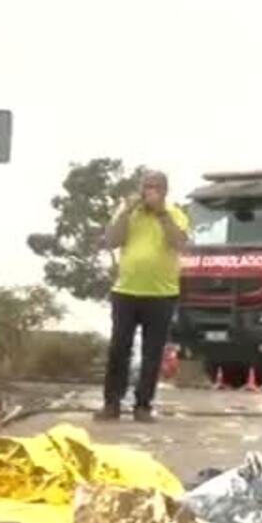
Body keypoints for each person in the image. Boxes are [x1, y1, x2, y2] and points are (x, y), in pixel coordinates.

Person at [99, 170, 187, 422]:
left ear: (165, 191)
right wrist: (126, 211)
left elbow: (179, 243)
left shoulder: (175, 213)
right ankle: (111, 404)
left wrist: (161, 214)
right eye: (147, 186)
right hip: (126, 291)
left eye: (156, 187)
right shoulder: (128, 212)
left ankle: (143, 405)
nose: (150, 191)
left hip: (161, 294)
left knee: (153, 353)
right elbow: (111, 240)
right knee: (118, 350)